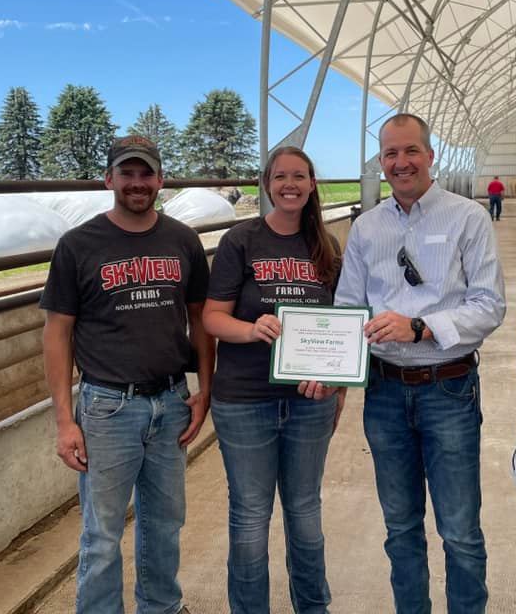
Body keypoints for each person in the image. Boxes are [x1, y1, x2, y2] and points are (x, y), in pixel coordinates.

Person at [335, 113, 506, 614]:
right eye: (390, 153)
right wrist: (329, 365)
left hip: (447, 388)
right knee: (400, 526)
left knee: (459, 528)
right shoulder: (367, 228)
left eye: (411, 151)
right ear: (381, 161)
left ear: (430, 155)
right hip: (385, 392)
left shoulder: (467, 217)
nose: (401, 162)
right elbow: (348, 307)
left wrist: (421, 326)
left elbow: (488, 305)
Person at [41, 134, 215, 614]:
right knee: (102, 533)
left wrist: (205, 390)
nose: (137, 183)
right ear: (109, 179)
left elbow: (200, 320)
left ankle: (161, 606)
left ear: (161, 179)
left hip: (171, 400)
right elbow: (57, 334)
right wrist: (63, 420)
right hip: (107, 406)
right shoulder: (78, 245)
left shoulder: (183, 240)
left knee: (165, 523)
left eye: (146, 173)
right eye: (127, 173)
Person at [203, 146, 345, 614]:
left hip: (309, 402)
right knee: (249, 517)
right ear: (267, 184)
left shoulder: (326, 246)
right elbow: (212, 318)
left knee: (305, 513)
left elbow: (342, 327)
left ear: (311, 185)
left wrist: (336, 386)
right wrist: (251, 329)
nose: (290, 184)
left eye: (299, 176)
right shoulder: (240, 241)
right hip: (244, 401)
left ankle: (313, 606)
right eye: (280, 176)